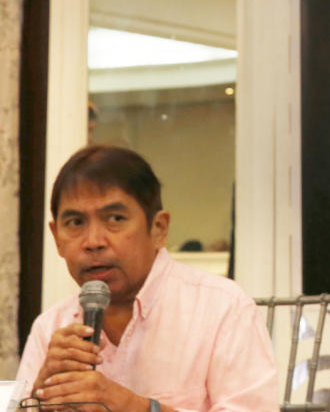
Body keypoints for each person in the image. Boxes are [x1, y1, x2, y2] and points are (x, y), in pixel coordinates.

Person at [17, 145, 279, 411]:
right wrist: (40, 397)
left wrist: (138, 407)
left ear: (158, 229)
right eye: (75, 223)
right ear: (56, 238)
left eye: (115, 218)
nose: (93, 241)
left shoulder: (223, 308)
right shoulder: (50, 327)